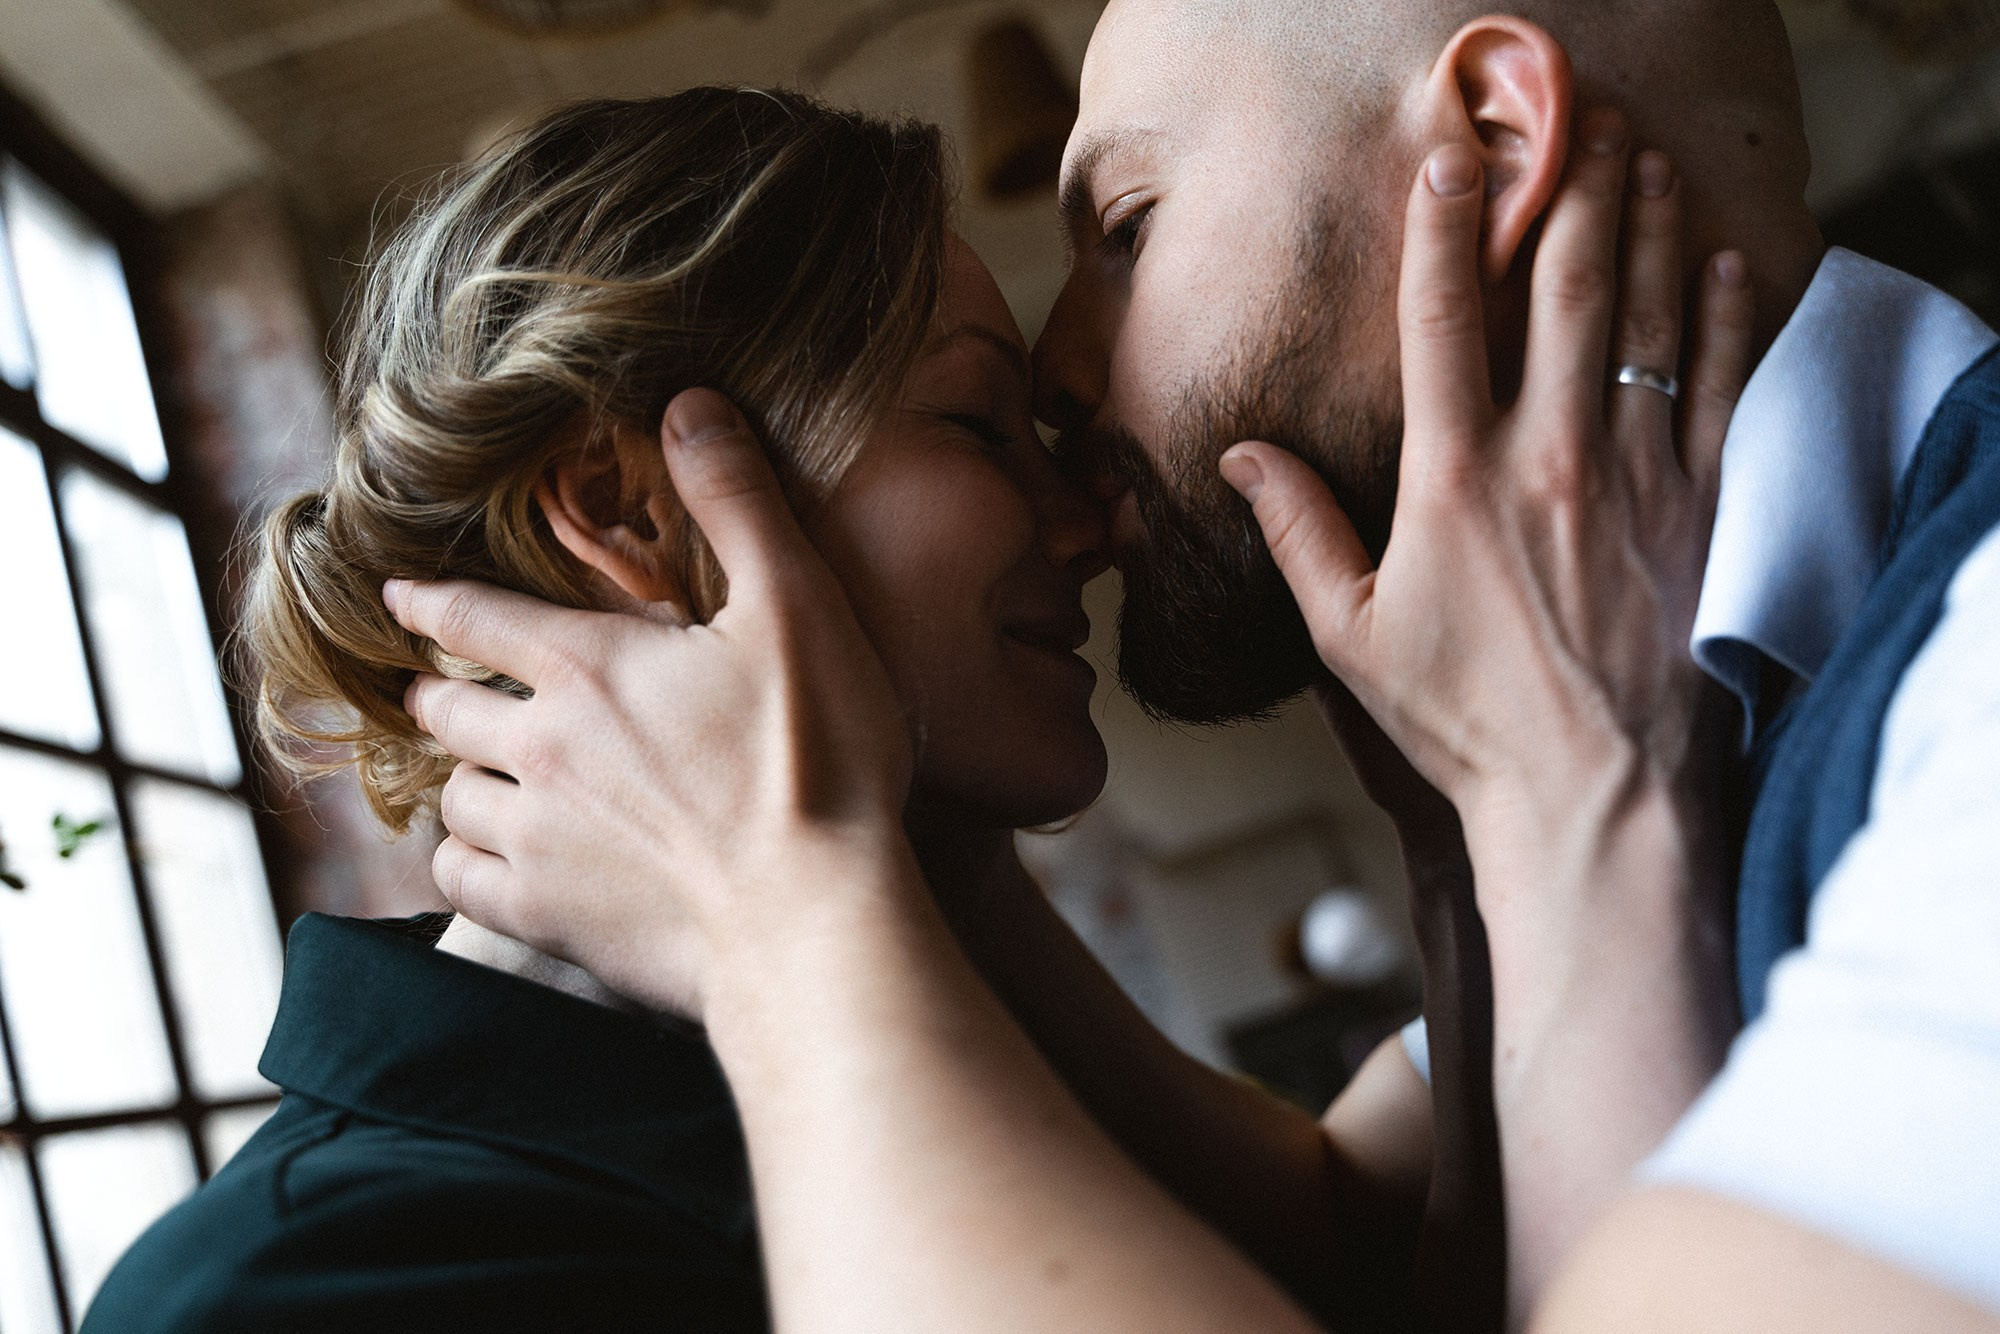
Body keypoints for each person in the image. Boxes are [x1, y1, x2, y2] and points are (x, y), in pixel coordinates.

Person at [402, 0, 2000, 1330]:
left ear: (1493, 148)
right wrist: (1488, 829)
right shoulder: (1673, 686)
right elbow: (1371, 1233)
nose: (1063, 374)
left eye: (1127, 226)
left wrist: (790, 916)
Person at [84, 88, 1111, 1331]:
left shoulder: (963, 1045)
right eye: (975, 424)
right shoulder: (302, 1292)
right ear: (628, 511)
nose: (1085, 523)